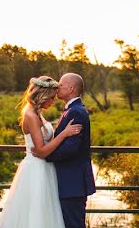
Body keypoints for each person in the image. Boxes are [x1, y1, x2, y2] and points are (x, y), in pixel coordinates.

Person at [0, 76, 83, 228]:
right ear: (43, 96)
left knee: (47, 211)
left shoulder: (37, 112)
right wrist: (64, 133)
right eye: (51, 98)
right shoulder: (30, 115)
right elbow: (41, 151)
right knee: (36, 211)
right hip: (36, 169)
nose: (53, 101)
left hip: (46, 169)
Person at [42, 73, 96, 228]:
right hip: (70, 182)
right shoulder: (72, 109)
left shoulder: (76, 111)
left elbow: (71, 149)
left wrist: (46, 154)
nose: (57, 87)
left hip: (72, 183)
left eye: (61, 85)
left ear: (71, 89)